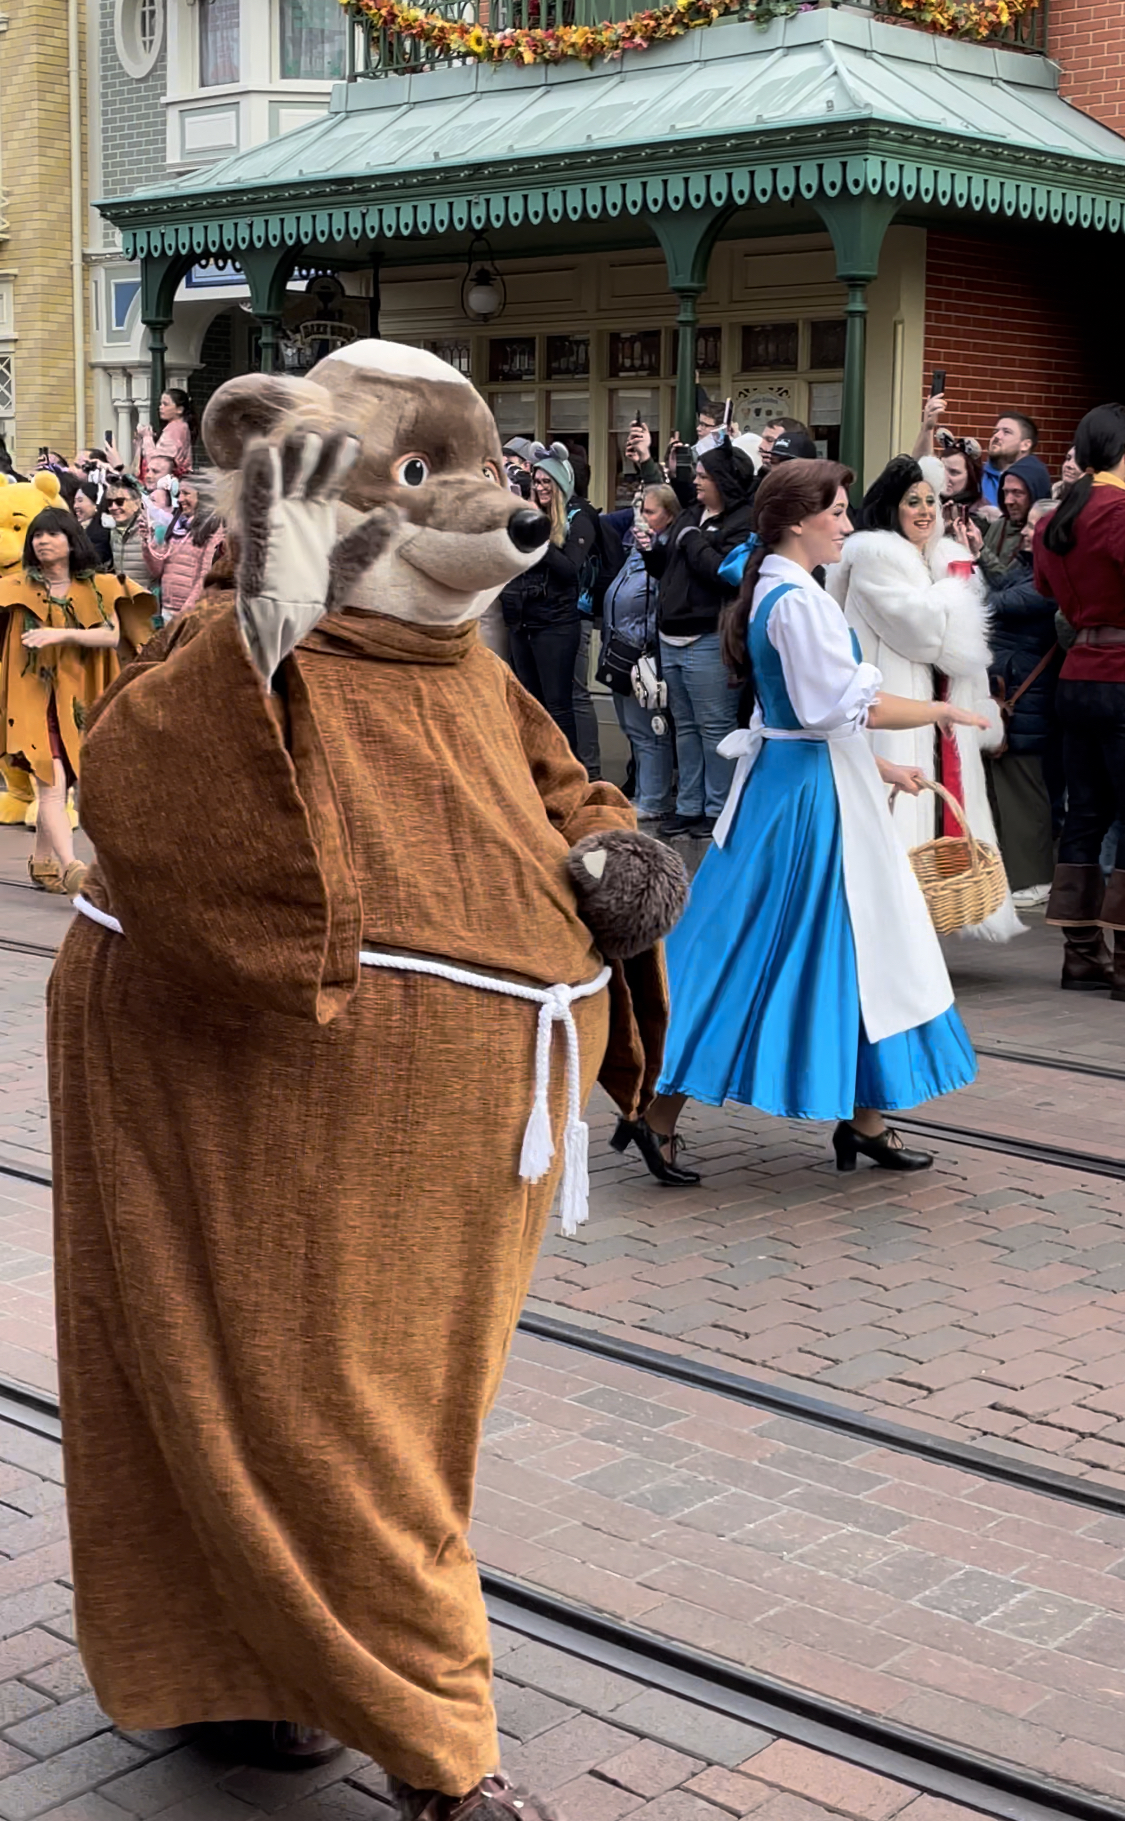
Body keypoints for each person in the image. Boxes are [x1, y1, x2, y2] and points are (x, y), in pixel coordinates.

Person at [47, 341, 676, 1815]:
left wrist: (614, 854)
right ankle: (442, 1752)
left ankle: (253, 1670)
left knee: (358, 1409)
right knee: (313, 1407)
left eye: (485, 467)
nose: (496, 510)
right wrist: (267, 585)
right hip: (257, 1118)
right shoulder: (255, 660)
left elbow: (559, 779)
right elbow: (152, 782)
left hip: (449, 1149)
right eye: (419, 477)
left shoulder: (461, 669)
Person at [617, 459, 983, 1184]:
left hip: (801, 785)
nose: (848, 524)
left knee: (828, 947)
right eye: (837, 513)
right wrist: (941, 709)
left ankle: (862, 1118)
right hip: (806, 804)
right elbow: (845, 709)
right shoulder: (795, 601)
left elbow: (796, 717)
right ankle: (659, 1115)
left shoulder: (784, 592)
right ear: (795, 522)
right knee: (776, 950)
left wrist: (878, 767)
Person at [826, 455, 1022, 940]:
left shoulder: (937, 558)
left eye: (931, 500)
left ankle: (922, 926)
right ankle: (893, 930)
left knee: (937, 819)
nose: (925, 511)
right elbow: (925, 633)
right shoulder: (875, 556)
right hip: (895, 716)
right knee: (898, 823)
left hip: (938, 715)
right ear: (892, 508)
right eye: (912, 501)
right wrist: (958, 592)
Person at [1035, 402, 1125, 995]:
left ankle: (1081, 953)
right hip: (1120, 673)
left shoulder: (1057, 516)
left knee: (1085, 812)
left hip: (1078, 676)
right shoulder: (1118, 511)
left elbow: (1046, 588)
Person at [0, 509, 122, 892]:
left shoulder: (98, 587)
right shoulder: (15, 586)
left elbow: (112, 636)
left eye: (52, 534)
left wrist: (58, 635)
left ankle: (42, 860)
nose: (42, 541)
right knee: (50, 783)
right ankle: (71, 868)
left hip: (80, 699)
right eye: (36, 535)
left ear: (72, 541)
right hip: (32, 699)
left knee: (64, 781)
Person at [641, 440, 756, 837]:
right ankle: (688, 806)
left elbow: (722, 572)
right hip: (671, 636)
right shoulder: (692, 513)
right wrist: (652, 553)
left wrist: (689, 537)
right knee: (684, 727)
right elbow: (670, 568)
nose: (697, 482)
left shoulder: (743, 522)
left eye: (705, 476)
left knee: (715, 728)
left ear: (724, 481)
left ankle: (718, 809)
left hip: (708, 638)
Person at [984, 498, 1062, 909]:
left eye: (1036, 526)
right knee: (1005, 787)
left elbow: (997, 602)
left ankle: (1034, 878)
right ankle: (1015, 873)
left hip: (1025, 696)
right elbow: (999, 588)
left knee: (1024, 788)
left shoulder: (1051, 582)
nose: (1026, 532)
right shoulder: (1029, 568)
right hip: (1011, 692)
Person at [501, 441, 592, 755]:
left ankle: (568, 774)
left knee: (557, 706)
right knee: (530, 705)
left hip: (555, 625)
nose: (540, 488)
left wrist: (539, 534)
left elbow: (569, 569)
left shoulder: (576, 520)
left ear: (560, 485)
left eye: (546, 482)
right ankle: (536, 774)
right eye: (537, 481)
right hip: (522, 621)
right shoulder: (525, 513)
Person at [601, 484, 677, 821]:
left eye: (650, 512)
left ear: (669, 516)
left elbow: (658, 603)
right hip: (619, 647)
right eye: (640, 511)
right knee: (632, 729)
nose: (641, 519)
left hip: (642, 651)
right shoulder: (634, 548)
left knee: (649, 730)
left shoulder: (662, 552)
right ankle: (645, 793)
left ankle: (654, 799)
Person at [143, 477, 225, 621]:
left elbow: (205, 574)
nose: (180, 499)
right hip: (167, 608)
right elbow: (157, 571)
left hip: (191, 612)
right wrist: (147, 542)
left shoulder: (213, 527)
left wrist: (186, 610)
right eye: (179, 493)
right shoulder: (176, 524)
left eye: (186, 493)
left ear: (202, 496)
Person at [975, 455, 1052, 587]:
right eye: (1005, 492)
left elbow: (1010, 584)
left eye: (1017, 493)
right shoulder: (998, 526)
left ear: (1035, 492)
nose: (1008, 501)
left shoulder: (1043, 534)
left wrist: (980, 550)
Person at [107, 477, 161, 661]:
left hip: (147, 609)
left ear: (137, 503)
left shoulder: (153, 530)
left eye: (120, 501)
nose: (114, 507)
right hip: (123, 607)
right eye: (110, 503)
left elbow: (159, 570)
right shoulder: (113, 532)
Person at [133, 388, 194, 483]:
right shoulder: (179, 427)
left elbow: (156, 463)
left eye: (165, 404)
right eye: (161, 404)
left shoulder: (175, 429)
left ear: (179, 409)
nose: (161, 407)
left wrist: (147, 437)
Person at [982, 411, 1039, 509]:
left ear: (1025, 445)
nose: (996, 436)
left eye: (1006, 432)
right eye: (995, 432)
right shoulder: (977, 476)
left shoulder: (1035, 483)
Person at [72, 481, 112, 567]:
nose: (75, 506)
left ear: (96, 503)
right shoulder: (75, 528)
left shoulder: (104, 532)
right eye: (74, 501)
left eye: (80, 501)